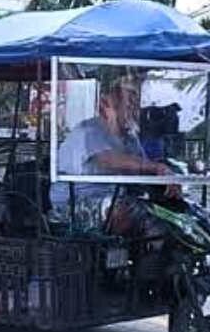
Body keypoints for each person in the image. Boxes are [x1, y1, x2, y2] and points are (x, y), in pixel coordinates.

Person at [52, 71, 178, 234]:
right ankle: (114, 254)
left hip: (115, 196)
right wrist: (157, 168)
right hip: (76, 201)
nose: (134, 104)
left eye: (136, 99)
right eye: (130, 98)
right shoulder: (89, 131)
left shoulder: (130, 137)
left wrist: (170, 178)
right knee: (122, 211)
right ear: (108, 103)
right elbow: (109, 160)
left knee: (166, 214)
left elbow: (141, 168)